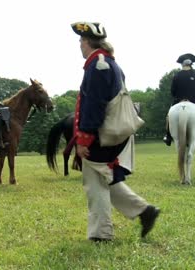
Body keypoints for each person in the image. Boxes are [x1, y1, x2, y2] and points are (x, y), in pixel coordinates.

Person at [71, 21, 160, 242]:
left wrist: (83, 138)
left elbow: (94, 105)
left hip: (102, 133)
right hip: (111, 132)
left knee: (95, 183)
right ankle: (144, 211)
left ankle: (101, 234)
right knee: (104, 177)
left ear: (87, 42)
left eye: (81, 41)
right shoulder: (110, 62)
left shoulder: (98, 65)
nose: (79, 45)